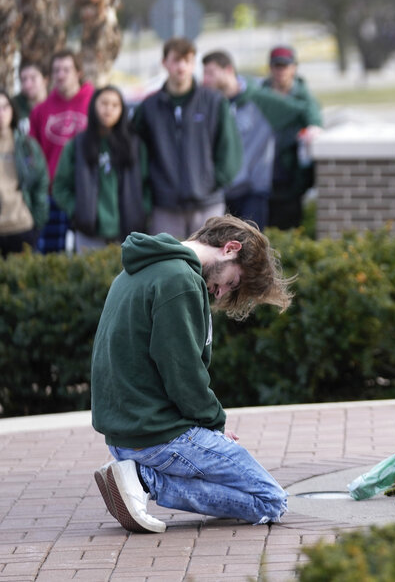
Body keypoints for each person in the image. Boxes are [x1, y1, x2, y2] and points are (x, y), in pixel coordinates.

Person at [90, 214, 294, 533]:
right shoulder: (179, 280)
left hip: (129, 431)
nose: (221, 292)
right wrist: (213, 425)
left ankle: (137, 476)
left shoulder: (142, 269)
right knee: (271, 500)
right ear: (230, 248)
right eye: (231, 282)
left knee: (252, 491)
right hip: (157, 434)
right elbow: (182, 370)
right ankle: (144, 479)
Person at [133, 37, 242, 238]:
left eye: (187, 60)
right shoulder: (148, 107)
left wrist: (212, 181)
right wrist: (151, 189)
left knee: (208, 266)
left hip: (207, 204)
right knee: (167, 265)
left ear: (193, 64)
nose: (181, 66)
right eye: (176, 60)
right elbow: (138, 154)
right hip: (164, 206)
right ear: (164, 63)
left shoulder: (214, 102)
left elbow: (229, 148)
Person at [202, 50, 312, 230]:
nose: (206, 79)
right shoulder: (210, 103)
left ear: (228, 70)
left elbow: (303, 110)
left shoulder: (260, 100)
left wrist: (314, 125)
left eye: (210, 73)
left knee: (250, 251)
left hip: (252, 192)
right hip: (220, 192)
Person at [52, 86, 150, 252]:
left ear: (122, 110)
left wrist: (141, 212)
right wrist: (77, 210)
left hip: (128, 233)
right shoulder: (78, 144)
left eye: (114, 105)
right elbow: (60, 186)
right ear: (93, 106)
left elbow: (147, 184)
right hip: (89, 232)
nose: (109, 109)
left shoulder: (134, 144)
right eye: (104, 103)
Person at [29, 49, 95, 253]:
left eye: (66, 69)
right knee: (51, 258)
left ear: (78, 72)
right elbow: (33, 155)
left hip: (88, 192)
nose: (61, 75)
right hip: (52, 195)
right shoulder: (41, 110)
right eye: (56, 70)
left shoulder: (94, 102)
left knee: (89, 257)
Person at [261, 45, 321, 230]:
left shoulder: (305, 99)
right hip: (261, 178)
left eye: (285, 66)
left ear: (294, 67)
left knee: (290, 230)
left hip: (291, 179)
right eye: (276, 66)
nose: (280, 71)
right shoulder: (259, 95)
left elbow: (316, 124)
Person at [0, 91, 48, 257]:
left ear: (12, 110)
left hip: (22, 226)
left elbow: (41, 180)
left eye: (5, 107)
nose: (1, 113)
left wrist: (37, 219)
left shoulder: (26, 145)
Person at [13, 61, 49, 136]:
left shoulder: (56, 104)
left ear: (45, 80)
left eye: (33, 78)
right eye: (24, 80)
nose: (27, 85)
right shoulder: (14, 105)